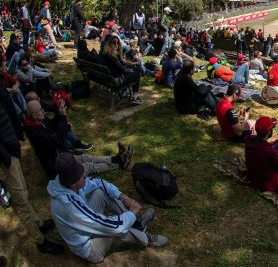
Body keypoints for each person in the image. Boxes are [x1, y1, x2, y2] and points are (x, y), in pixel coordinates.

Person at [48, 153, 167, 263]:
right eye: (81, 176)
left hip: (84, 228)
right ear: (73, 183)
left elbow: (99, 183)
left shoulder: (65, 183)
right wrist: (131, 212)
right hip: (90, 248)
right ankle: (146, 238)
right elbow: (112, 227)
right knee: (114, 228)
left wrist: (124, 198)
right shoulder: (68, 206)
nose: (85, 177)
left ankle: (137, 223)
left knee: (100, 192)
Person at [0, 86, 64, 255]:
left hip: (10, 152)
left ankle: (39, 224)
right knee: (20, 200)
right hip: (5, 158)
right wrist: (6, 157)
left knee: (23, 193)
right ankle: (41, 241)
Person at [23, 99, 131, 180]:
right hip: (57, 168)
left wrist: (58, 110)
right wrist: (62, 117)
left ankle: (117, 159)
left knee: (86, 157)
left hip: (62, 156)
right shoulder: (34, 132)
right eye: (40, 110)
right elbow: (56, 142)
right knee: (88, 167)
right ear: (34, 115)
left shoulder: (39, 121)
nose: (43, 111)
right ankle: (120, 162)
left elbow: (53, 124)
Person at [101, 36, 142, 105]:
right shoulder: (112, 56)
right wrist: (130, 70)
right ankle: (135, 97)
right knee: (136, 74)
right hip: (115, 80)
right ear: (110, 43)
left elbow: (121, 66)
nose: (116, 44)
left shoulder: (105, 53)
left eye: (118, 43)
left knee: (132, 72)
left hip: (108, 78)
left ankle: (124, 93)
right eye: (114, 43)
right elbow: (123, 70)